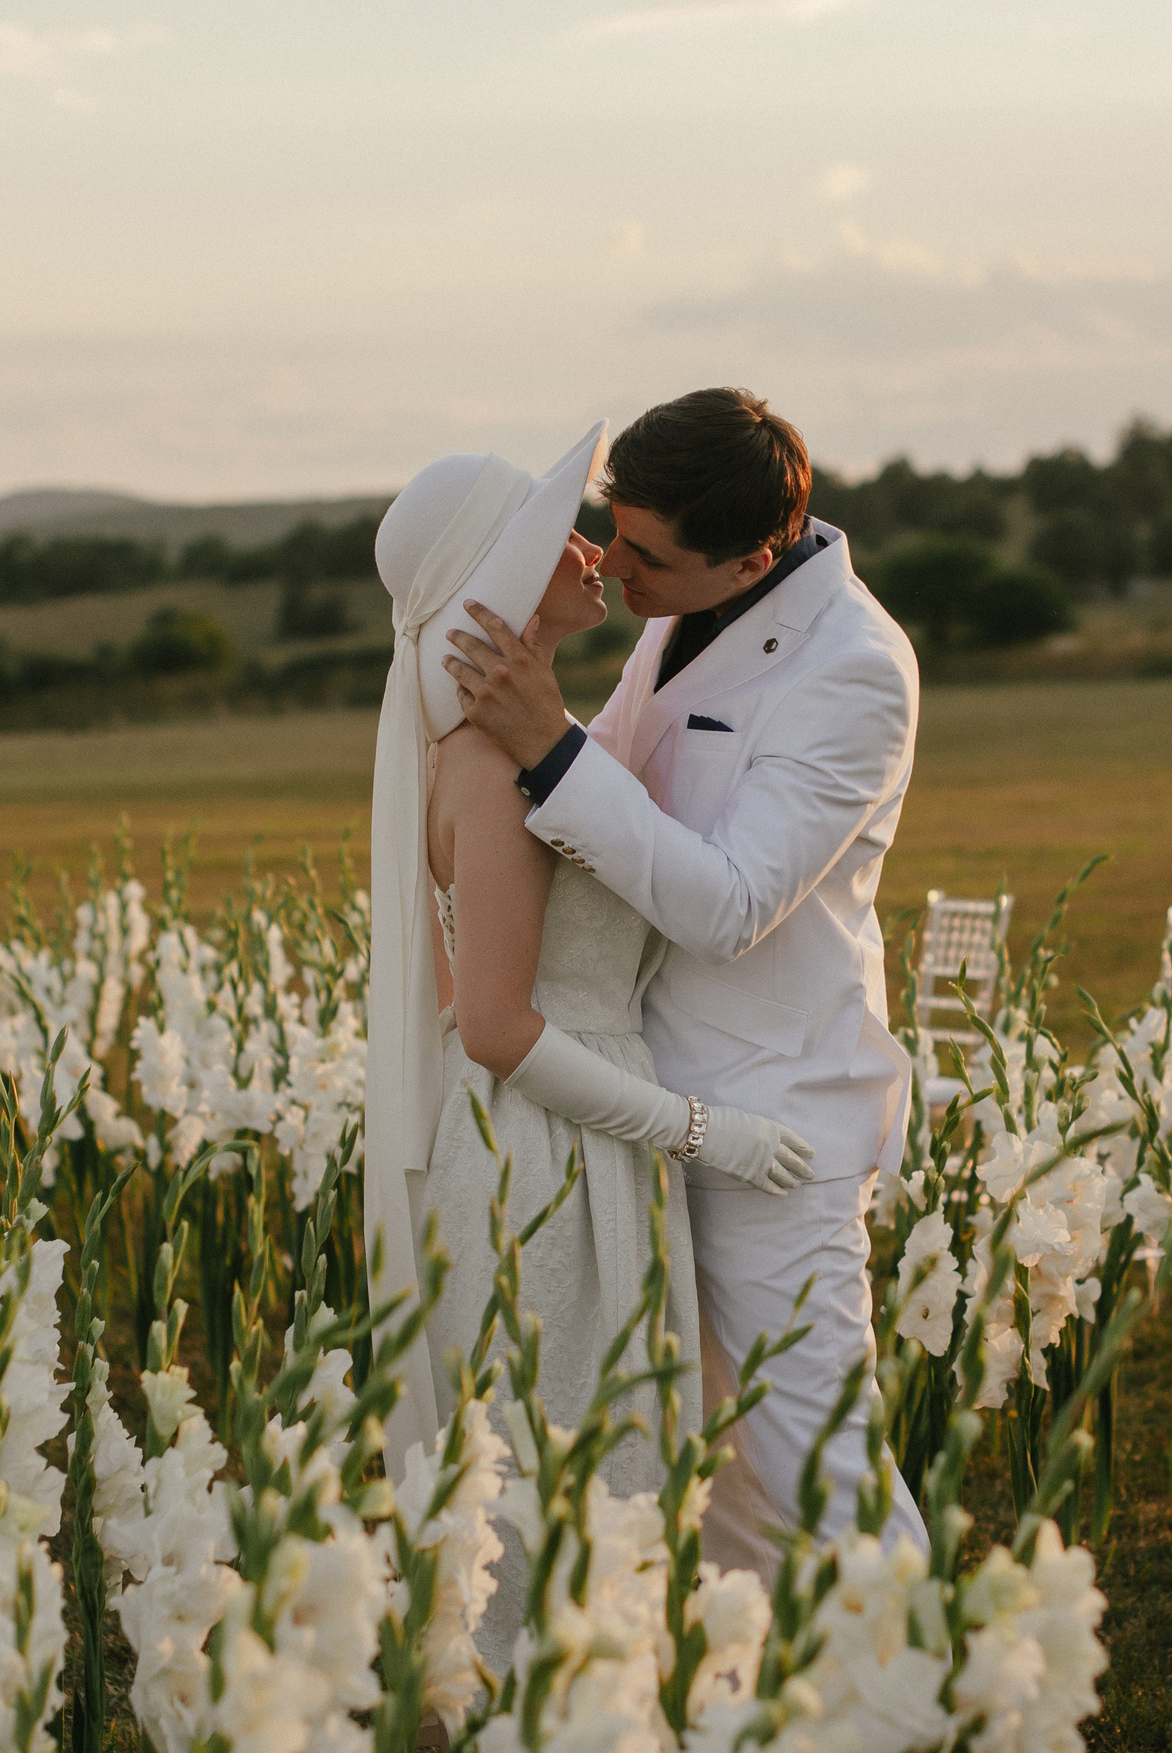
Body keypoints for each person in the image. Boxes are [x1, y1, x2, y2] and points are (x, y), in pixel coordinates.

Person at [442, 387, 929, 1574]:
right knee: (706, 1470)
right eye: (614, 527)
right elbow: (604, 790)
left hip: (776, 1123)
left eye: (646, 553)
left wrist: (547, 745)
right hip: (645, 1109)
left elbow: (727, 905)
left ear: (756, 555)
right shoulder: (676, 618)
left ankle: (921, 1694)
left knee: (819, 1465)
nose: (613, 564)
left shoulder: (856, 670)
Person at [364, 422, 816, 1649]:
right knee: (570, 1475)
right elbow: (498, 1025)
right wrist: (700, 1131)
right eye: (550, 535)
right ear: (493, 590)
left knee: (585, 1465)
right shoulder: (489, 774)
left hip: (552, 1136)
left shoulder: (522, 746)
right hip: (549, 1161)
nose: (589, 549)